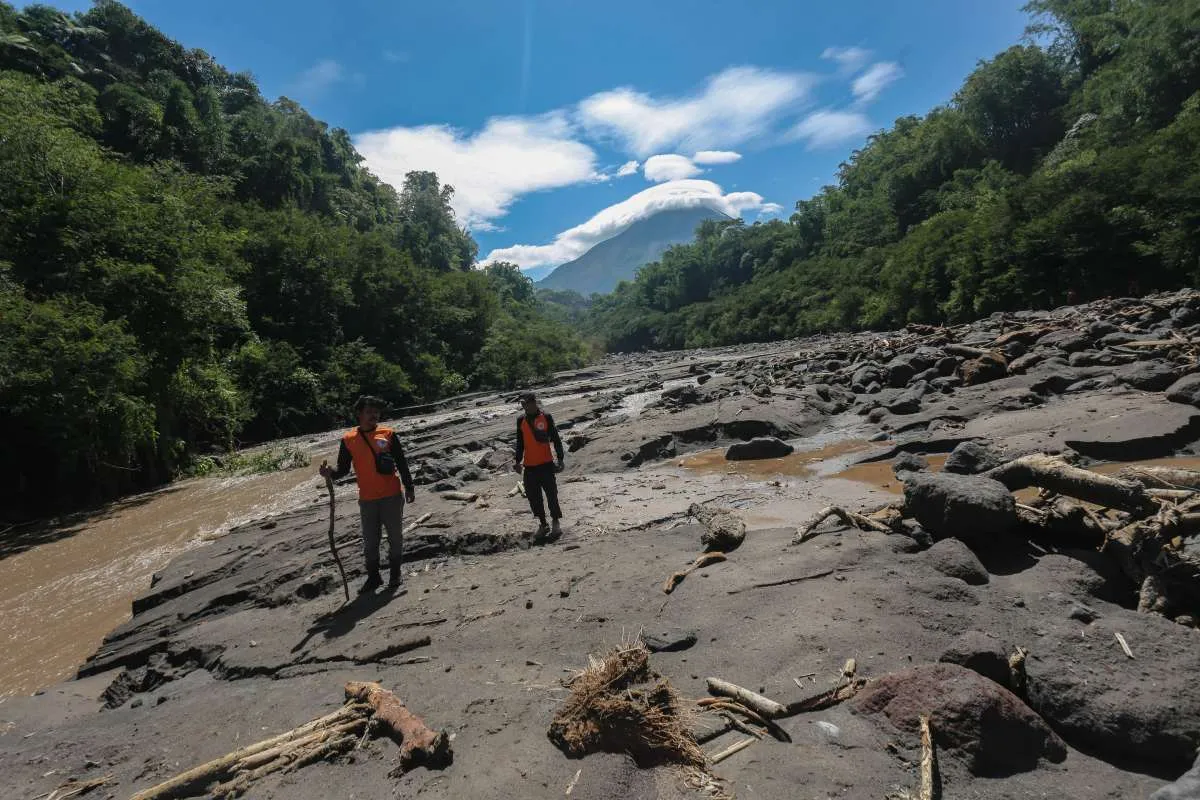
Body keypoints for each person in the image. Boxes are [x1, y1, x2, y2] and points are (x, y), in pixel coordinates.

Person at [319, 396, 415, 594]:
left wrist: (409, 487)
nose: (374, 415)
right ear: (359, 414)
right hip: (367, 499)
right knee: (370, 540)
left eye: (376, 411)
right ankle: (374, 577)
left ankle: (395, 574)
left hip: (391, 495)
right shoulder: (348, 440)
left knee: (395, 537)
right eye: (369, 411)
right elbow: (343, 469)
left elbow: (401, 461)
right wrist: (330, 473)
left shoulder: (388, 434)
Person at [513, 392, 565, 539]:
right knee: (533, 497)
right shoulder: (520, 420)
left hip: (546, 464)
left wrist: (560, 458)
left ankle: (555, 522)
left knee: (551, 495)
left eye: (526, 403)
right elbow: (520, 443)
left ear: (534, 402)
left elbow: (555, 438)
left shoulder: (546, 417)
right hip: (529, 466)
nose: (524, 406)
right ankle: (543, 524)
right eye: (522, 404)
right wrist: (517, 461)